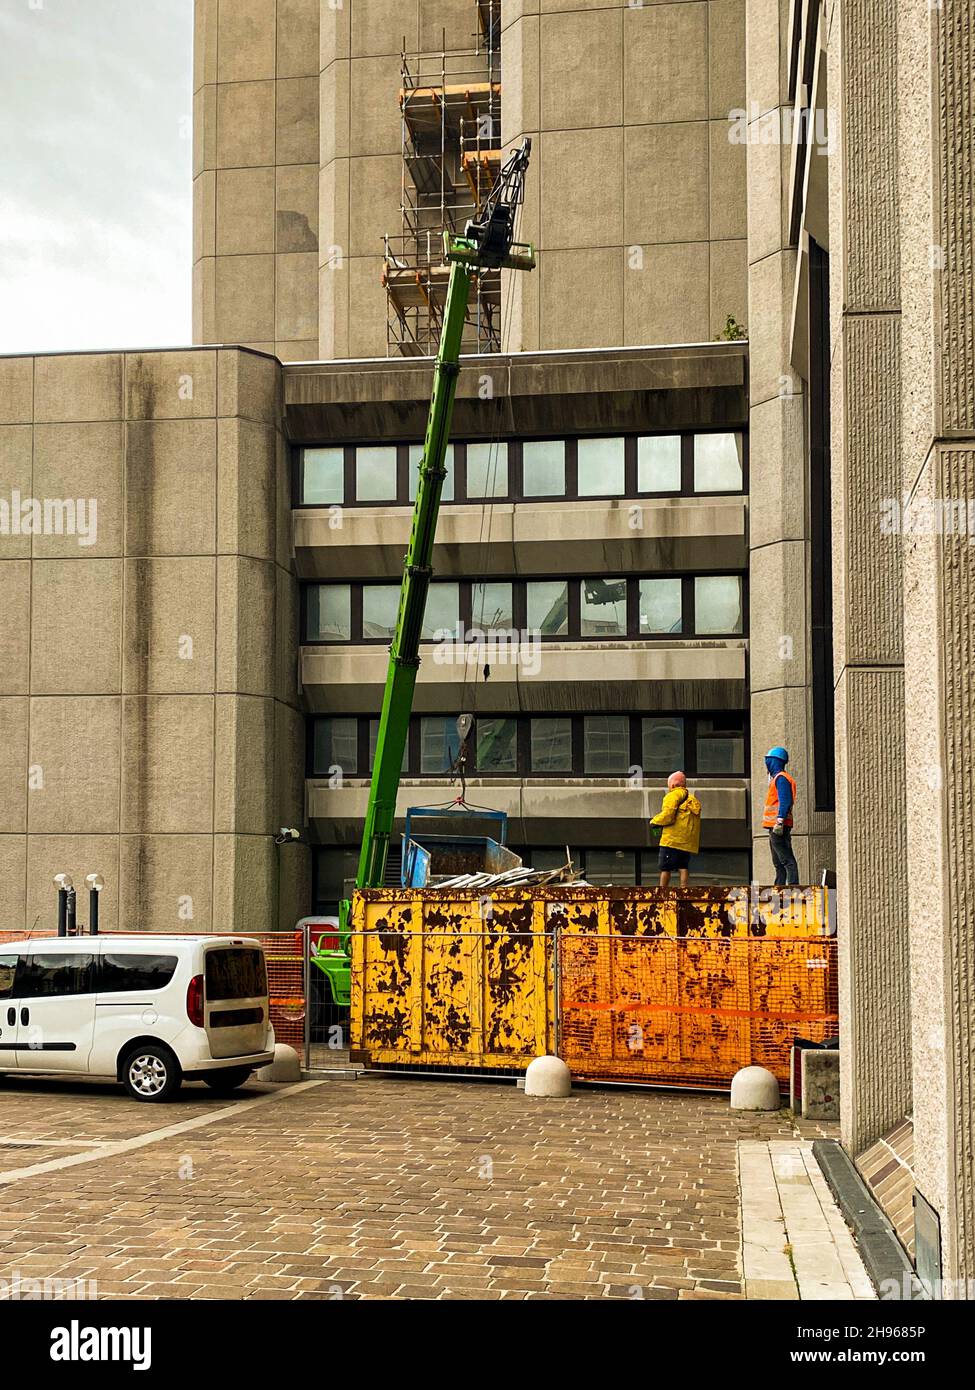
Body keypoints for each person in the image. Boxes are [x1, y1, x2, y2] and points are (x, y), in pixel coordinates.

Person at [650, 771, 701, 888]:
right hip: (687, 842)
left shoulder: (672, 795)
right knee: (683, 866)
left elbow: (668, 815)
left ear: (672, 785)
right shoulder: (692, 800)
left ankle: (663, 891)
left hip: (672, 840)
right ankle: (684, 889)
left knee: (665, 867)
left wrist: (654, 821)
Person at [763, 745, 799, 885]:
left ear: (773, 761)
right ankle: (779, 887)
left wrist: (780, 820)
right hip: (775, 826)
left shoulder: (781, 778)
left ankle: (793, 886)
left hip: (778, 826)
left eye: (769, 761)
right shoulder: (778, 778)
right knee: (778, 861)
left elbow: (785, 800)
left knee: (786, 859)